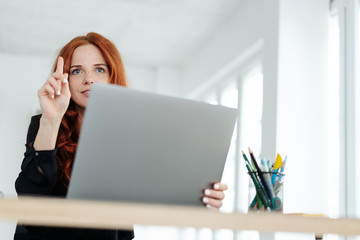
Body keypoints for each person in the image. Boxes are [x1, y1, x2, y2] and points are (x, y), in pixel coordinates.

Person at [15, 32, 228, 240]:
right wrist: (51, 120)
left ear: (112, 76)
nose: (89, 79)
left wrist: (203, 200)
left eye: (99, 69)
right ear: (65, 79)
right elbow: (30, 199)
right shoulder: (44, 123)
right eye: (77, 71)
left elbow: (151, 191)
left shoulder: (130, 131)